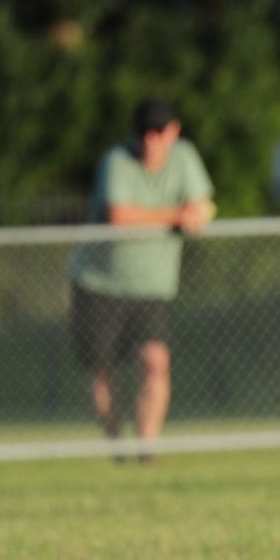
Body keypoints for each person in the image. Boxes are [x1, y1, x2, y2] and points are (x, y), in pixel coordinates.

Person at [68, 98, 215, 459]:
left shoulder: (184, 156)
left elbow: (203, 203)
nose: (152, 140)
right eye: (145, 132)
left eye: (160, 132)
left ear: (173, 133)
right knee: (102, 369)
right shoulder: (116, 161)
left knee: (155, 361)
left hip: (153, 285)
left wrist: (201, 213)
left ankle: (147, 448)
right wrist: (175, 215)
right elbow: (119, 215)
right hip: (99, 282)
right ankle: (117, 446)